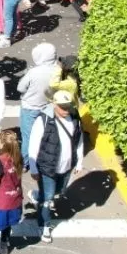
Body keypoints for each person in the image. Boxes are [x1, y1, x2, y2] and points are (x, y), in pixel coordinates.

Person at [26, 90, 86, 243]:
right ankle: (45, 226)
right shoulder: (44, 120)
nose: (65, 110)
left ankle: (36, 195)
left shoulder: (75, 119)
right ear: (54, 104)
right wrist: (33, 168)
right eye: (62, 107)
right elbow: (33, 144)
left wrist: (79, 162)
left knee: (58, 192)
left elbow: (79, 141)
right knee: (49, 199)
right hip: (47, 168)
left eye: (67, 107)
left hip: (66, 167)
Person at [17, 43, 58, 154]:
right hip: (49, 108)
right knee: (44, 135)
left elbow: (20, 88)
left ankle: (25, 162)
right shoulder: (58, 71)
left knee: (28, 137)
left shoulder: (34, 72)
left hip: (30, 107)